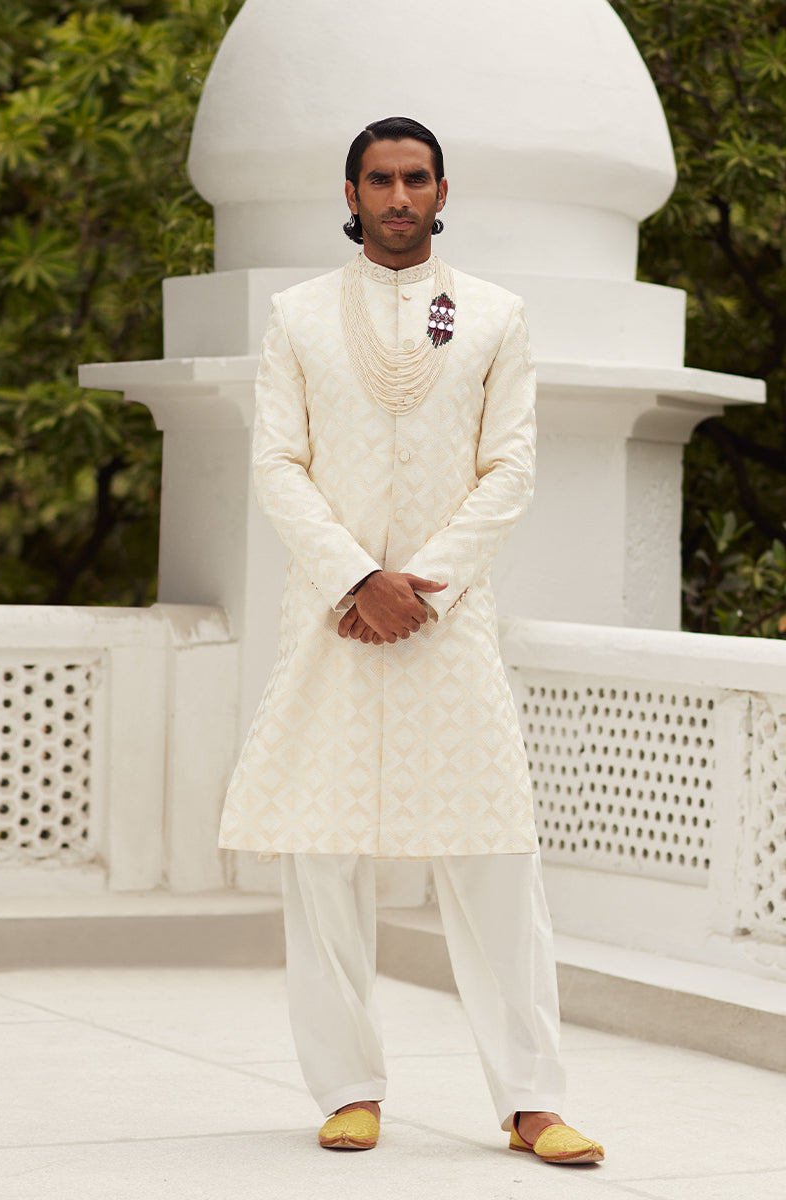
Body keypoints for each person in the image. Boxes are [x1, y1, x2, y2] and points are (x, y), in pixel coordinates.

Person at [219, 116, 603, 1165]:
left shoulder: (493, 316)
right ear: (350, 193)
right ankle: (348, 1089)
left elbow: (509, 469)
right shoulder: (298, 316)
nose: (398, 197)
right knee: (322, 854)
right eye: (380, 180)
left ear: (441, 191)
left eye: (416, 179)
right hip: (332, 617)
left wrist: (418, 589)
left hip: (447, 619)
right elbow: (277, 464)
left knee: (494, 853)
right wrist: (356, 578)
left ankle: (531, 1101)